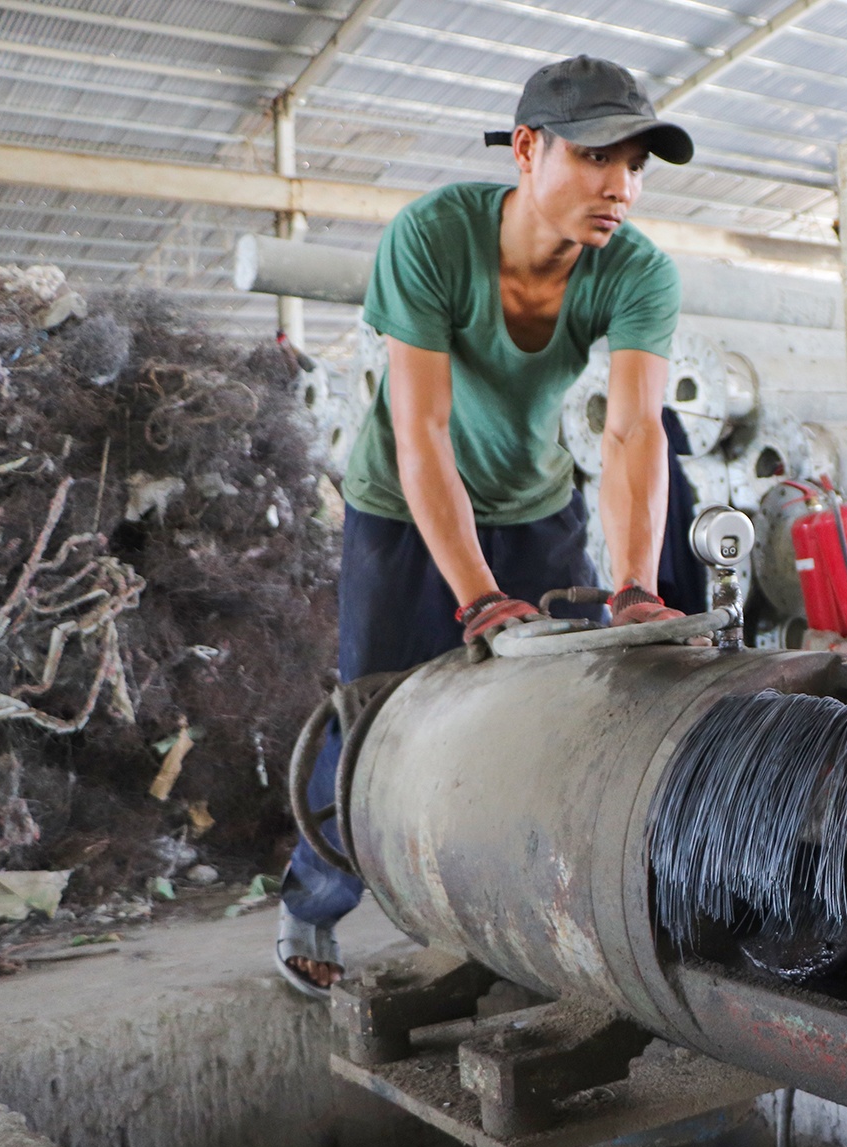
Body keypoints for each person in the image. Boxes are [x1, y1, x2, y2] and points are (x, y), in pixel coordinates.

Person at [275, 56, 697, 997]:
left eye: (635, 164)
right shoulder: (432, 236)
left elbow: (632, 433)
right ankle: (314, 902)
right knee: (374, 711)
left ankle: (514, 907)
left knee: (552, 716)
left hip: (538, 508)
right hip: (402, 507)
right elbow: (421, 430)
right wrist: (476, 597)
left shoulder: (637, 271)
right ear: (526, 149)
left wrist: (633, 587)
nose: (620, 187)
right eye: (595, 157)